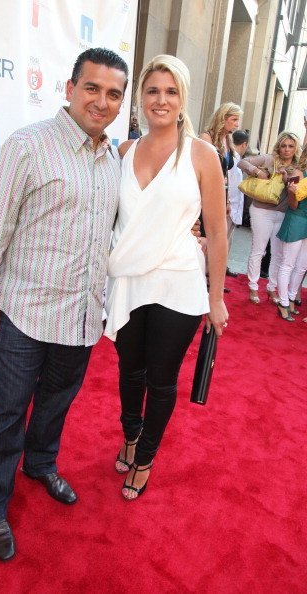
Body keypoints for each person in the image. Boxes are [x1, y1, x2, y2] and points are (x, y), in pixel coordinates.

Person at [0, 47, 129, 561]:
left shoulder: (113, 159)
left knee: (56, 403)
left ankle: (40, 464)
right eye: (92, 88)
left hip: (81, 315)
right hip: (25, 311)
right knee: (9, 411)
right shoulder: (28, 146)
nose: (101, 102)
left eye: (113, 94)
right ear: (69, 88)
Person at [104, 55, 228, 501]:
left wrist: (216, 298)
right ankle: (131, 435)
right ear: (141, 97)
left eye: (171, 91)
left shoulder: (202, 154)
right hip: (128, 282)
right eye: (153, 90)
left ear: (183, 99)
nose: (161, 99)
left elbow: (216, 230)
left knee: (160, 379)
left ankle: (146, 457)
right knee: (128, 372)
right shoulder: (122, 151)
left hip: (177, 283)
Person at [238, 131, 301, 305]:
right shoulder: (268, 159)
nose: (286, 149)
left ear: (295, 148)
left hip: (282, 213)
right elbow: (242, 161)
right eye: (283, 145)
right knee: (259, 250)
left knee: (278, 253)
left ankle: (272, 287)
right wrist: (257, 171)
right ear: (278, 146)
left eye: (290, 146)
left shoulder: (297, 168)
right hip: (261, 211)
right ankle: (253, 286)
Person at [200, 101, 242, 287]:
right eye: (234, 119)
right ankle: (199, 279)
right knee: (203, 239)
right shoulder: (206, 137)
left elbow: (225, 174)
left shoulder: (228, 141)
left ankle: (210, 280)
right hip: (203, 196)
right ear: (223, 118)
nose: (237, 125)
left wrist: (226, 201)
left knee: (217, 240)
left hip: (220, 195)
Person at [276, 147, 306, 321]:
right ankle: (283, 302)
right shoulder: (298, 173)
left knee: (302, 266)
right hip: (296, 220)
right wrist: (293, 192)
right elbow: (293, 205)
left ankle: (292, 298)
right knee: (288, 263)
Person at [227, 130, 249, 274]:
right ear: (245, 144)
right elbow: (230, 184)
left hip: (232, 206)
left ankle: (223, 267)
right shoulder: (234, 159)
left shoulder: (234, 157)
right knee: (224, 240)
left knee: (228, 239)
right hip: (229, 206)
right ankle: (217, 269)